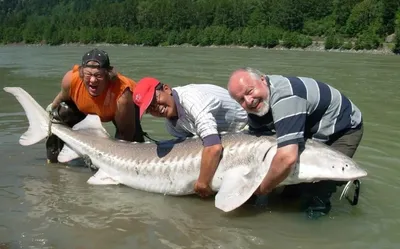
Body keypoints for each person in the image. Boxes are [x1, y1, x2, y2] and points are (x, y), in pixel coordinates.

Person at [227, 67, 364, 217]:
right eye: (241, 99)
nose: (248, 101)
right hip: (308, 127)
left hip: (342, 128)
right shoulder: (256, 106)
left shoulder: (287, 97)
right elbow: (258, 146)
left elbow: (287, 157)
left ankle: (313, 228)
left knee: (319, 190)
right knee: (289, 189)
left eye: (249, 91)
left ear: (262, 79)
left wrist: (263, 188)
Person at [132, 77, 248, 197]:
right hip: (223, 138)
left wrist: (202, 184)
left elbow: (214, 147)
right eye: (150, 108)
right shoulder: (172, 126)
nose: (155, 108)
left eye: (155, 100)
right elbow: (196, 146)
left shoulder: (192, 100)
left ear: (166, 89)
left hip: (247, 129)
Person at [45, 48, 145, 163]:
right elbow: (62, 97)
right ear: (81, 72)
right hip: (85, 109)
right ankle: (54, 161)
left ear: (108, 74)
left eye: (98, 75)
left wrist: (107, 162)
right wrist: (50, 112)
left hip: (124, 111)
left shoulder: (122, 96)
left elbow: (126, 135)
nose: (92, 80)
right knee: (61, 112)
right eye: (88, 74)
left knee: (133, 153)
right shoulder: (71, 80)